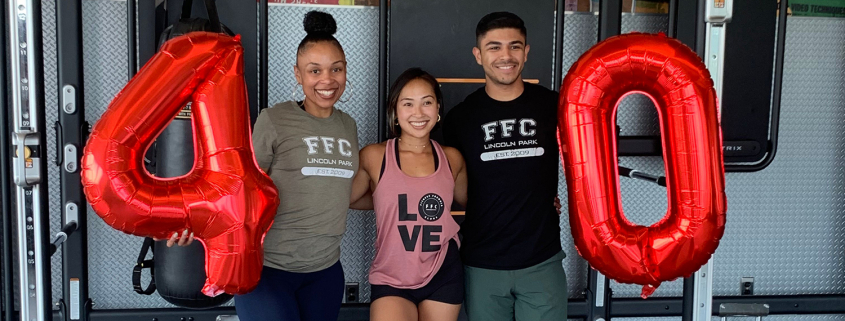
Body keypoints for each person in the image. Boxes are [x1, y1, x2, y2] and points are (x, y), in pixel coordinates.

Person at [442, 11, 568, 321]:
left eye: (514, 46)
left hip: (542, 261)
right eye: (494, 47)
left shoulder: (556, 106)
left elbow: (591, 155)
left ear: (526, 52)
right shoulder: (461, 118)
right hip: (483, 265)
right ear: (478, 55)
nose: (505, 56)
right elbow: (442, 183)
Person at [233, 11, 357, 321]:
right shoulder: (273, 119)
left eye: (336, 69)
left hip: (325, 272)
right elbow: (237, 188)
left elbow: (340, 189)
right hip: (268, 269)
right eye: (314, 71)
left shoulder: (348, 126)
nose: (327, 80)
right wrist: (193, 225)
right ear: (298, 74)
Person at [349, 68, 467, 321]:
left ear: (437, 109)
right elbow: (348, 199)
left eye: (427, 102)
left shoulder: (452, 158)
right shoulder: (374, 156)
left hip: (443, 272)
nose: (418, 113)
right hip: (392, 276)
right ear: (395, 111)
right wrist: (385, 202)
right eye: (408, 104)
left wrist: (540, 201)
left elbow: (479, 202)